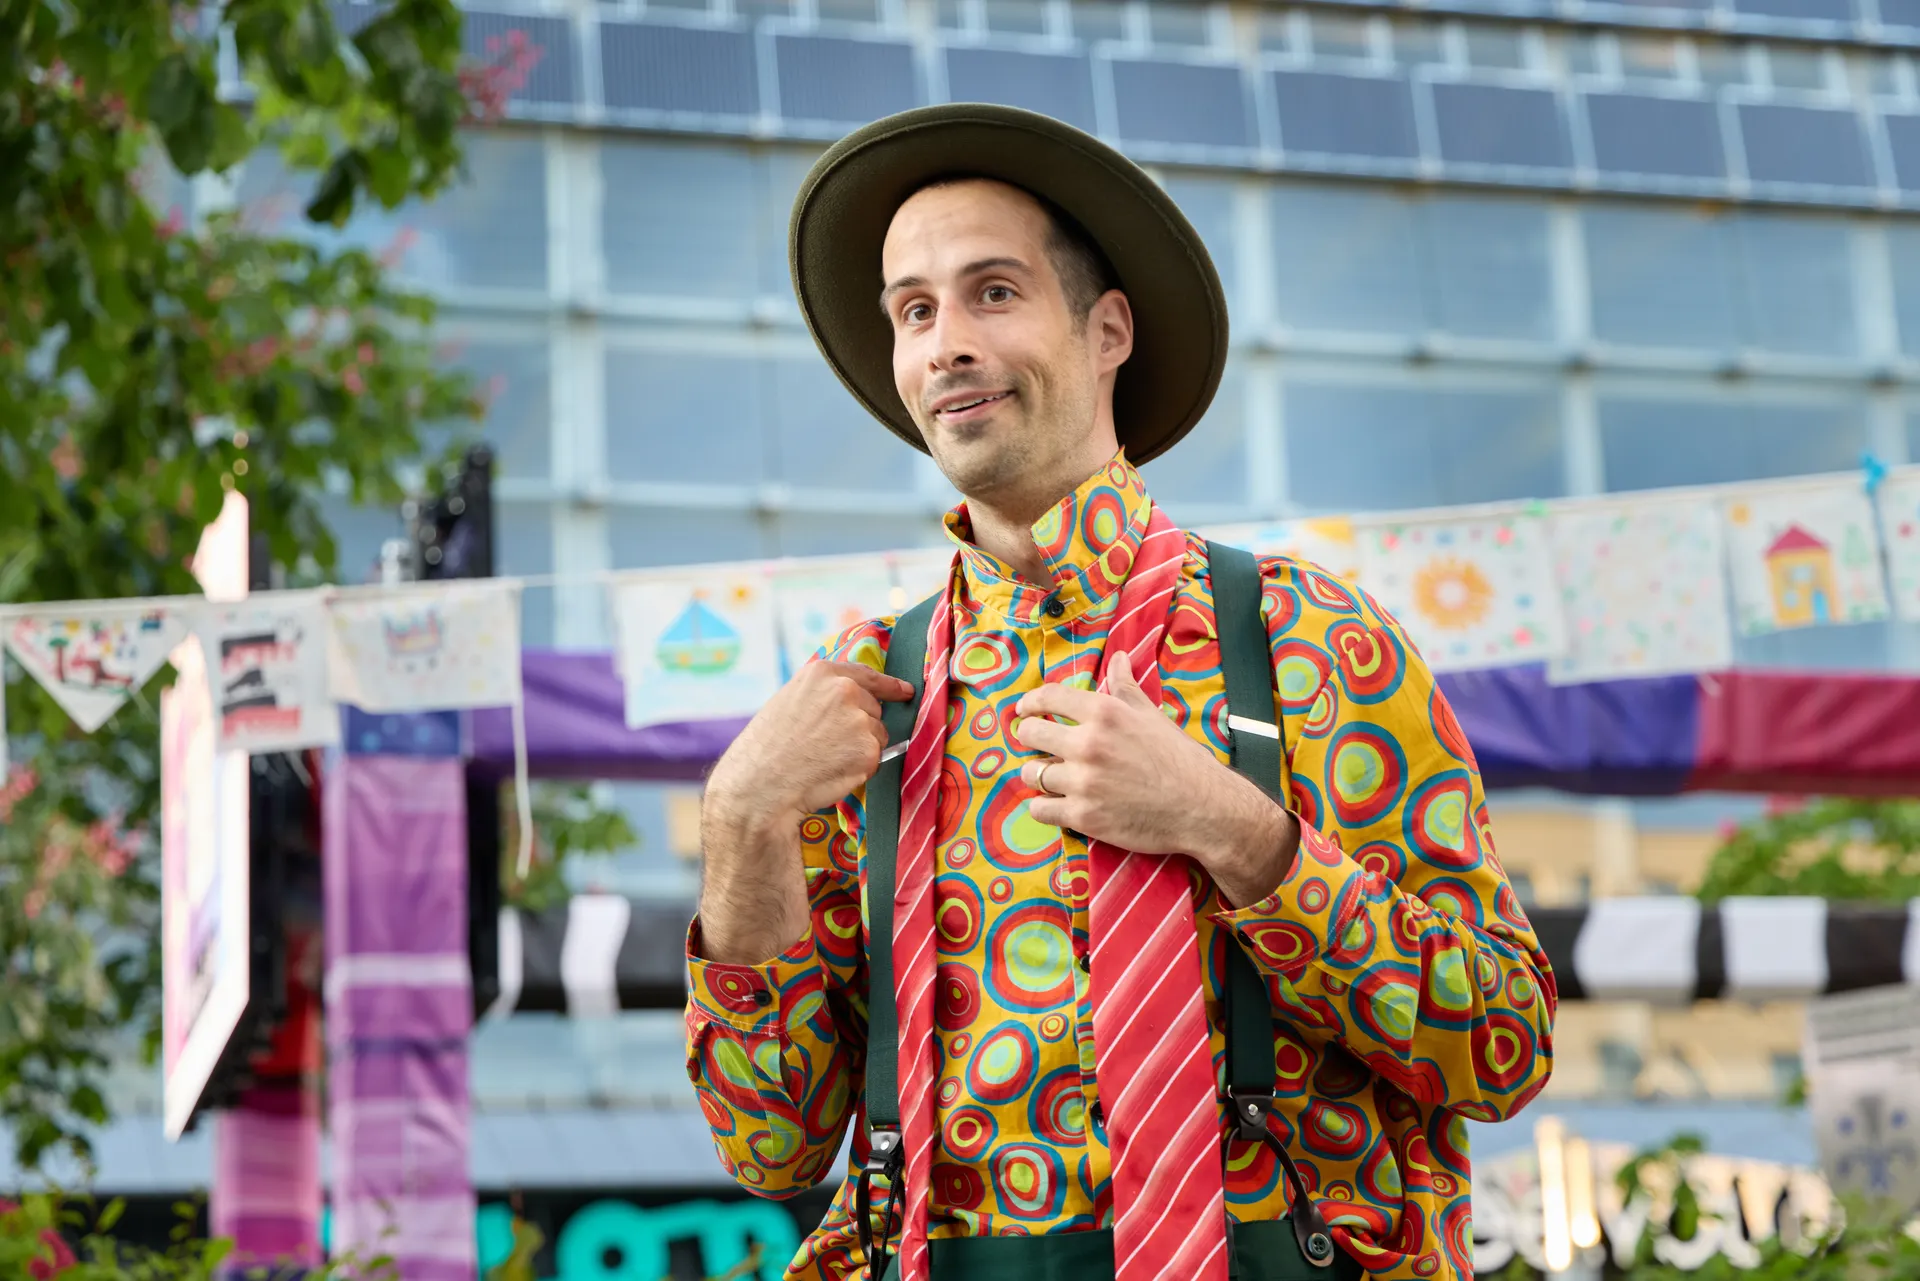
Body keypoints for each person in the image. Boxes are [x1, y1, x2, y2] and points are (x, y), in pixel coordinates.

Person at [684, 104, 1556, 1281]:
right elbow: (770, 1147)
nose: (945, 343)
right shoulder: (861, 698)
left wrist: (1233, 830)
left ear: (1108, 332)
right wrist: (741, 821)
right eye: (914, 309)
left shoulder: (1310, 638)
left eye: (993, 292)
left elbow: (1500, 1044)